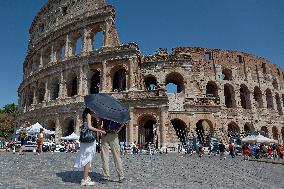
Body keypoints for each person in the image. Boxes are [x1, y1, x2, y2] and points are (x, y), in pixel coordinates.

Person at [74, 107, 106, 186]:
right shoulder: (88, 115)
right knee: (87, 159)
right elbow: (89, 127)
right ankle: (85, 179)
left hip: (86, 139)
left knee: (87, 157)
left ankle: (86, 176)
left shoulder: (86, 115)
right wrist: (100, 131)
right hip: (89, 139)